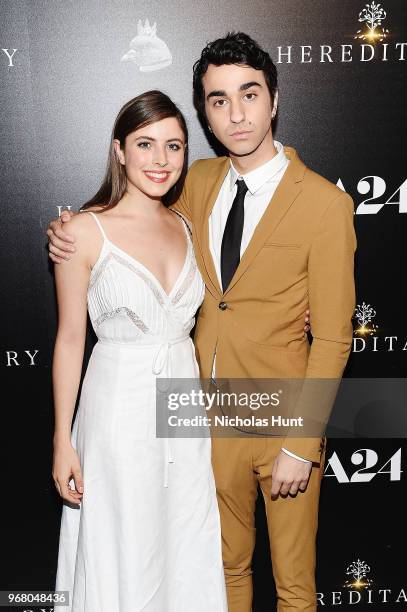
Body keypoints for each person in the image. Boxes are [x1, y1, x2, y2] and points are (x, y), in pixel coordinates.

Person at [47, 32, 354, 612]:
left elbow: (336, 335)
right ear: (206, 115)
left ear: (275, 100)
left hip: (284, 414)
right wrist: (68, 224)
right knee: (216, 572)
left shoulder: (325, 204)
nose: (236, 114)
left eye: (249, 95)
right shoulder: (197, 183)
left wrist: (303, 440)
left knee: (294, 585)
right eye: (217, 101)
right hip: (201, 420)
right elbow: (126, 226)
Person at [51, 90, 228, 612]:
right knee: (122, 540)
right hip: (118, 410)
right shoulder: (83, 232)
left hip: (181, 409)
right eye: (145, 144)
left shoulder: (187, 226)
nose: (160, 160)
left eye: (173, 146)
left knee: (186, 539)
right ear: (120, 150)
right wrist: (63, 439)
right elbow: (68, 339)